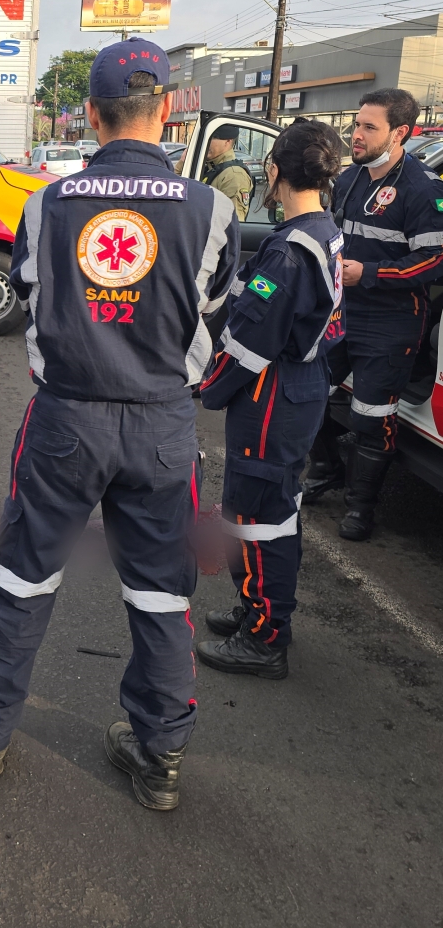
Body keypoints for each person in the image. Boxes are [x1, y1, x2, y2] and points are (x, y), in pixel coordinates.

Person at [0, 38, 240, 811]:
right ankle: (159, 757)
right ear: (170, 110)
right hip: (161, 427)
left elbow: (30, 296)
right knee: (160, 595)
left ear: (89, 113)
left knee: (22, 578)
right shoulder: (215, 211)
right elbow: (219, 313)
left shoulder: (45, 204)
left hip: (64, 422)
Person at [197, 120, 345, 678]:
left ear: (274, 171)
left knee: (261, 516)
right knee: (265, 509)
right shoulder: (322, 229)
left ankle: (265, 637)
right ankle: (257, 610)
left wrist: (205, 387)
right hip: (299, 387)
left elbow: (248, 343)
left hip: (273, 393)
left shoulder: (289, 252)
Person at [301, 89, 443, 540]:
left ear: (399, 133)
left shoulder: (423, 189)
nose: (355, 135)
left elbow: (434, 261)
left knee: (371, 414)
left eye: (367, 127)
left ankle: (361, 506)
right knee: (307, 393)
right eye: (355, 124)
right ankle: (326, 468)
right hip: (343, 310)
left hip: (392, 318)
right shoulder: (350, 178)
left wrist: (372, 273)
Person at [202, 125, 255, 222]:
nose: (207, 141)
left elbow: (232, 224)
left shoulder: (233, 175)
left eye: (213, 137)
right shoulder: (207, 166)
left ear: (228, 141)